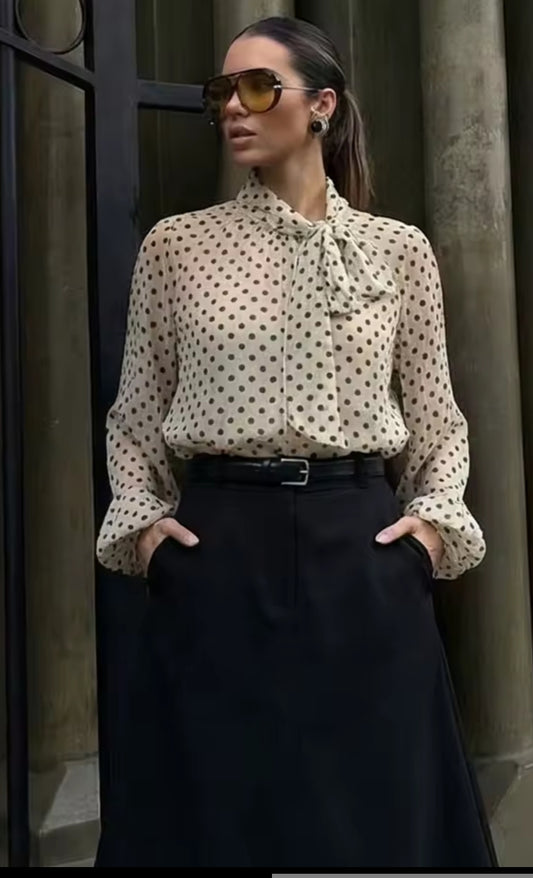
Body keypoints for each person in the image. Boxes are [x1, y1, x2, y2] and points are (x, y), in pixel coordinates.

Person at [94, 15, 497, 869]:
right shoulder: (176, 246)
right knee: (212, 812)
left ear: (321, 105)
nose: (231, 108)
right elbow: (134, 419)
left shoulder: (398, 251)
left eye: (256, 87)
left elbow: (438, 420)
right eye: (221, 92)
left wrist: (426, 537)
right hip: (216, 549)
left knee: (369, 817)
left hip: (362, 549)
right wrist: (149, 533)